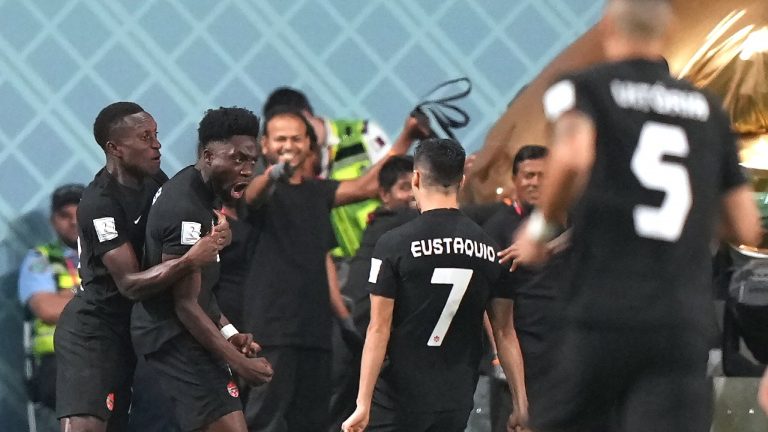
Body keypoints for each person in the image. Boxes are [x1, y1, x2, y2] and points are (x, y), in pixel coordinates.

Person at [511, 0, 762, 430]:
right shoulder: (707, 110)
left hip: (602, 309)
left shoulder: (583, 88)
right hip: (680, 319)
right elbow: (745, 226)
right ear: (665, 33)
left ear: (608, 27)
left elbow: (571, 156)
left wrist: (539, 230)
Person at [241, 105, 424, 431]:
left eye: (296, 138)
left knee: (313, 422)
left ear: (310, 145)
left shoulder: (316, 193)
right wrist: (271, 175)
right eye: (280, 139)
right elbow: (252, 197)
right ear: (264, 146)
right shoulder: (258, 190)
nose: (289, 145)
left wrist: (406, 137)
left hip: (316, 331)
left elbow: (368, 185)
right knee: (263, 421)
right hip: (271, 330)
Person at [54, 102, 227, 432]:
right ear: (115, 148)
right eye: (145, 137)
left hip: (139, 327)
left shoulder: (157, 183)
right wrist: (190, 259)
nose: (157, 144)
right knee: (87, 426)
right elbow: (130, 283)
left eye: (156, 134)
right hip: (96, 329)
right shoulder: (99, 203)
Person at [342, 138, 528, 432]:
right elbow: (505, 333)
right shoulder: (490, 249)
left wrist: (362, 404)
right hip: (455, 400)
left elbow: (379, 328)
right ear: (462, 181)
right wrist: (521, 405)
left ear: (416, 178)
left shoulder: (393, 244)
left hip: (397, 401)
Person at [131, 107, 273, 431]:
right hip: (174, 340)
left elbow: (200, 292)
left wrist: (230, 333)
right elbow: (186, 305)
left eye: (252, 161)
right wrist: (242, 365)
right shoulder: (186, 210)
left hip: (183, 337)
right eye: (238, 160)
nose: (248, 170)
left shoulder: (200, 192)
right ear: (208, 156)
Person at [329, 155, 418, 430]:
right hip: (350, 341)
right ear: (384, 195)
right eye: (406, 187)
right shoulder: (392, 222)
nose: (413, 196)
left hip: (373, 346)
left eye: (419, 187)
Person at [262, 87, 393, 258]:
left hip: (386, 251)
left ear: (307, 115)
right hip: (346, 270)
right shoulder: (288, 166)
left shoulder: (362, 134)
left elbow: (395, 180)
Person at [18, 184, 83, 430]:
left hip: (110, 350)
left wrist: (69, 295)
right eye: (65, 216)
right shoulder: (40, 259)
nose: (74, 222)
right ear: (53, 221)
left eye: (79, 213)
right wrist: (91, 294)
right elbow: (46, 308)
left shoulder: (112, 251)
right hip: (58, 359)